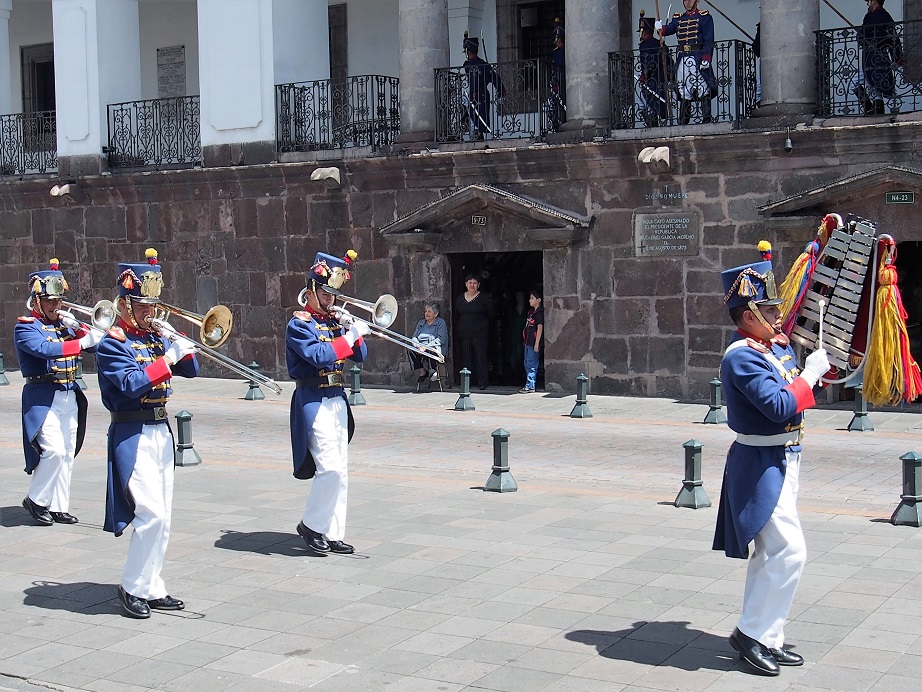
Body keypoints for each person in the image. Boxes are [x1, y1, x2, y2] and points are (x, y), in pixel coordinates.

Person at [713, 249, 831, 676]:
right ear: (747, 315)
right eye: (767, 309)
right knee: (789, 551)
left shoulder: (767, 349)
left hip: (783, 455)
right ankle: (751, 634)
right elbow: (780, 405)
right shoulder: (741, 357)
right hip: (761, 461)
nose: (777, 317)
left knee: (771, 553)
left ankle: (768, 635)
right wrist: (811, 373)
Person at [95, 248, 199, 619]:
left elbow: (193, 369)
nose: (149, 312)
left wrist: (177, 341)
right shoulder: (112, 343)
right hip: (132, 431)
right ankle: (132, 585)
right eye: (141, 305)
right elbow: (130, 384)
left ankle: (152, 585)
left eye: (153, 305)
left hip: (160, 429)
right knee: (150, 512)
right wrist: (167, 359)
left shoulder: (154, 335)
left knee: (164, 515)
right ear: (123, 304)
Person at [287, 250, 369, 556]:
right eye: (325, 292)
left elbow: (360, 356)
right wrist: (347, 339)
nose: (331, 299)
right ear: (311, 291)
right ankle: (311, 525)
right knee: (330, 469)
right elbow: (319, 356)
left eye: (334, 293)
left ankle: (332, 531)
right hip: (313, 399)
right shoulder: (299, 325)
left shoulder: (334, 320)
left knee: (341, 470)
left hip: (336, 398)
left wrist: (351, 329)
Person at [14, 259, 103, 527]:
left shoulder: (65, 325)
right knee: (51, 450)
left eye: (59, 300)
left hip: (69, 393)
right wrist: (80, 341)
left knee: (66, 451)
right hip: (43, 395)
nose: (57, 305)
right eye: (50, 301)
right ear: (37, 301)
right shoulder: (26, 326)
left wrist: (81, 329)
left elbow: (95, 347)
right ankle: (36, 500)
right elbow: (44, 350)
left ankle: (58, 505)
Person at [658, 0, 716, 124]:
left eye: (690, 0)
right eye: (685, 0)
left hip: (697, 57)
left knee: (702, 87)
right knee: (684, 88)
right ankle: (684, 120)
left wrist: (706, 58)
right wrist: (661, 28)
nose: (688, 2)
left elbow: (709, 40)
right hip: (683, 57)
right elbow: (669, 29)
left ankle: (706, 118)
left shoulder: (704, 17)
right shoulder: (679, 18)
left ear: (697, 1)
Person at [859, 0, 903, 115]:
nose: (867, 4)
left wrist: (860, 36)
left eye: (869, 2)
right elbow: (894, 39)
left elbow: (862, 36)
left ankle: (869, 108)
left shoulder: (872, 16)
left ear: (874, 2)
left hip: (872, 57)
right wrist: (897, 57)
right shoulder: (886, 16)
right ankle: (877, 110)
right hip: (881, 57)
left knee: (858, 82)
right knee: (874, 83)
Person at [462, 32, 504, 141]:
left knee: (477, 117)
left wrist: (473, 92)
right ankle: (473, 133)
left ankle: (477, 135)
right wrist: (501, 89)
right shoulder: (484, 65)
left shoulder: (469, 65)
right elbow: (495, 78)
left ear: (468, 51)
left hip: (477, 95)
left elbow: (475, 80)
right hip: (481, 95)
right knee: (472, 115)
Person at [455, 274, 494, 390]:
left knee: (480, 357)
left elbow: (490, 313)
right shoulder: (460, 298)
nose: (472, 285)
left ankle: (482, 382)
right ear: (466, 284)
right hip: (464, 333)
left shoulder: (483, 298)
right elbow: (457, 313)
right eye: (470, 282)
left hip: (480, 333)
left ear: (478, 285)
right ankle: (468, 382)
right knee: (466, 357)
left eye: (475, 283)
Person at [638, 11, 672, 127]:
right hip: (653, 78)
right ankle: (652, 121)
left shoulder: (650, 44)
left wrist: (646, 74)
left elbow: (653, 62)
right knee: (647, 102)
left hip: (655, 78)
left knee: (653, 102)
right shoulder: (652, 43)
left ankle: (653, 121)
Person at [409, 301, 449, 384]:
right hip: (420, 347)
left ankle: (433, 370)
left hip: (433, 347)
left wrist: (426, 347)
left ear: (436, 314)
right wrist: (418, 346)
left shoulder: (440, 323)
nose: (426, 313)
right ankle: (423, 371)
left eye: (429, 311)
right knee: (410, 349)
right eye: (426, 311)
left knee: (431, 350)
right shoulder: (421, 323)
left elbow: (441, 339)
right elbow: (414, 337)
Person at [520, 290, 544, 393]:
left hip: (533, 342)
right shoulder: (530, 312)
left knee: (532, 363)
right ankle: (529, 383)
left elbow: (539, 328)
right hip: (527, 341)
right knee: (526, 363)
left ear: (538, 300)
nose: (530, 300)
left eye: (532, 298)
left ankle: (530, 385)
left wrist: (537, 343)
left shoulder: (539, 313)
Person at [548, 17, 567, 130]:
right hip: (557, 78)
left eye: (558, 40)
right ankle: (558, 120)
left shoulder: (563, 51)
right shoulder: (556, 52)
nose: (556, 42)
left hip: (563, 77)